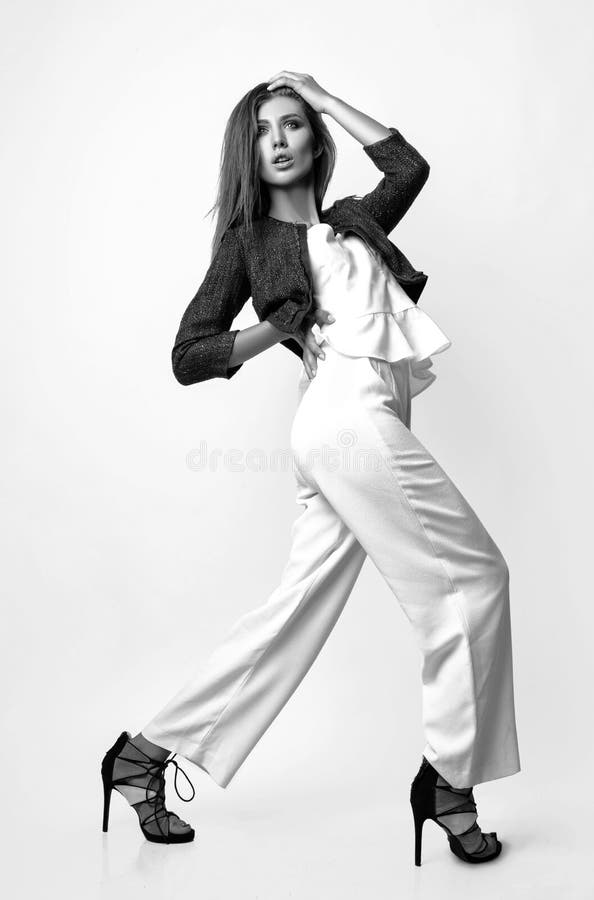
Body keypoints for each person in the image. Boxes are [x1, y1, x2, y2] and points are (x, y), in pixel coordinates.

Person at [101, 72, 521, 864]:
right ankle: (450, 780)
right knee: (473, 582)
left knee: (292, 613)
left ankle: (143, 753)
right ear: (248, 153)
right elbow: (189, 354)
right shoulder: (248, 243)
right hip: (344, 419)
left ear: (315, 140)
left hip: (364, 423)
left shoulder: (355, 221)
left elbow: (409, 169)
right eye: (264, 131)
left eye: (294, 125)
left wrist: (326, 97)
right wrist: (275, 328)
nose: (282, 139)